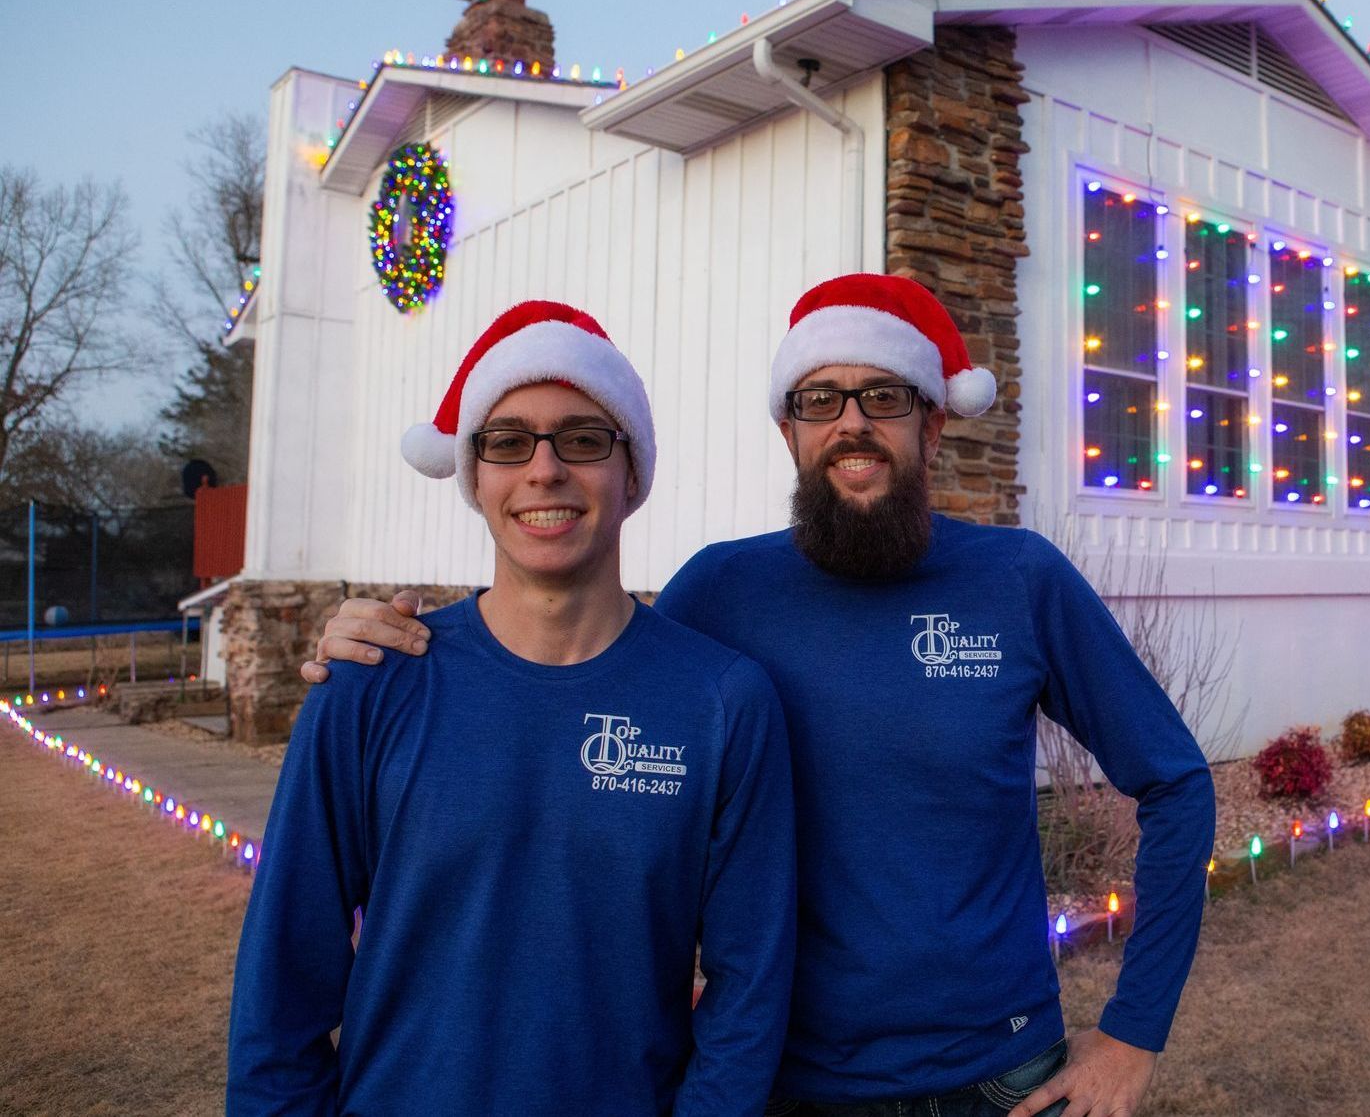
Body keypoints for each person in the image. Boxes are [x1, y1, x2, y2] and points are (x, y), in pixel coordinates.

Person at [308, 275, 1216, 1116]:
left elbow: (1177, 781)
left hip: (999, 1074)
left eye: (884, 396)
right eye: (820, 400)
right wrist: (369, 642)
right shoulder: (720, 594)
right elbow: (576, 669)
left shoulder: (1019, 580)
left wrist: (1135, 1031)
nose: (851, 423)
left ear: (933, 423)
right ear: (789, 430)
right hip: (782, 1079)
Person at [232, 301, 796, 1116]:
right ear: (475, 474)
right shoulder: (372, 682)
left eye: (583, 437)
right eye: (508, 441)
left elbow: (749, 993)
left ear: (630, 471)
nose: (544, 469)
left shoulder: (723, 702)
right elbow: (281, 991)